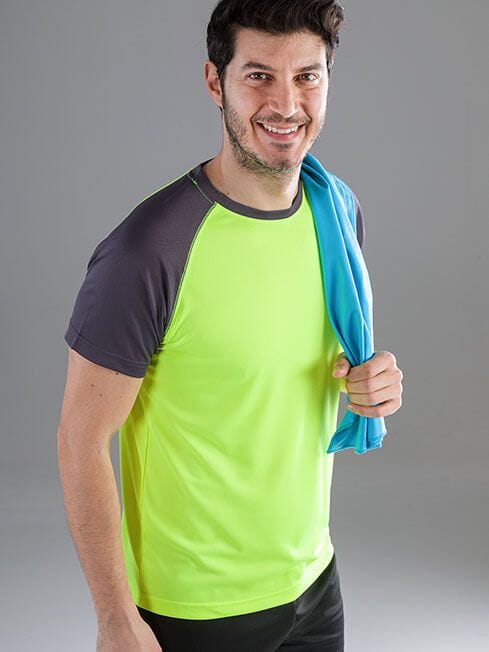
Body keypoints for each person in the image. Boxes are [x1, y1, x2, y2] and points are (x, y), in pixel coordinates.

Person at [57, 1, 404, 650]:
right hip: (195, 609)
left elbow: (293, 363)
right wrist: (114, 617)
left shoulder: (337, 211)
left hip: (313, 582)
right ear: (215, 82)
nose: (285, 104)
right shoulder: (149, 250)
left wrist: (369, 380)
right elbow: (81, 441)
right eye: (258, 76)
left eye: (306, 76)